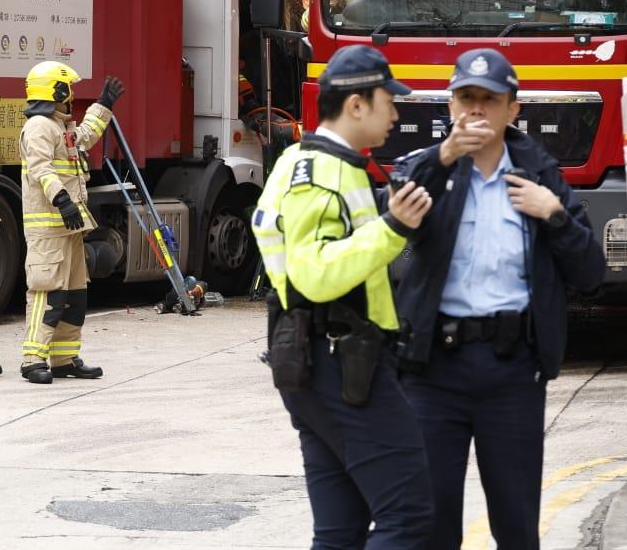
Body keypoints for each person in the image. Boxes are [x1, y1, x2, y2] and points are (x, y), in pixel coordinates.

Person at [391, 49, 605, 550]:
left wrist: (554, 215)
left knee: (515, 523)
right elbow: (393, 206)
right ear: (450, 105)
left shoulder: (540, 175)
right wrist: (442, 156)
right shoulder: (431, 169)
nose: (477, 111)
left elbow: (590, 272)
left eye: (491, 100)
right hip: (433, 373)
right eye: (467, 98)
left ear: (514, 110)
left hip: (512, 373)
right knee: (430, 524)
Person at [249, 44, 435, 547]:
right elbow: (314, 274)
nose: (396, 113)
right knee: (410, 517)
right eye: (388, 101)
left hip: (316, 361)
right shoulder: (323, 174)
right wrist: (394, 227)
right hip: (342, 362)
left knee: (340, 532)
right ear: (356, 106)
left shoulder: (300, 161)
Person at [17, 61, 123, 384]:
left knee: (75, 297)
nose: (71, 95)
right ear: (56, 91)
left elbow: (84, 137)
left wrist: (102, 106)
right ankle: (33, 359)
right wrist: (62, 200)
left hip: (69, 228)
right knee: (47, 294)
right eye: (68, 90)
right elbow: (41, 169)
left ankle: (64, 359)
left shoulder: (58, 127)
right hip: (49, 228)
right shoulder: (38, 126)